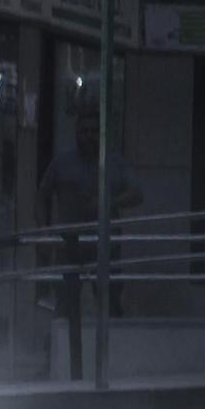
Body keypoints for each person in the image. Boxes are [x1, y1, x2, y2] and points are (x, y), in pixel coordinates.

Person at [38, 111, 143, 316]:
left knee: (110, 303)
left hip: (104, 242)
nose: (89, 135)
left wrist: (107, 203)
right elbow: (42, 196)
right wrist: (44, 230)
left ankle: (112, 347)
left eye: (94, 131)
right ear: (76, 134)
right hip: (69, 243)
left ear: (102, 134)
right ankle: (65, 347)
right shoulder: (62, 163)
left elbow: (137, 194)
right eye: (84, 131)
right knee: (66, 303)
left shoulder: (115, 163)